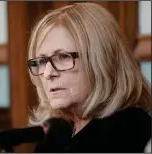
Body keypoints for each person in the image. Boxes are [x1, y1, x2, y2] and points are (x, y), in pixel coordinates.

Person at [27, 2, 151, 153]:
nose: (47, 73)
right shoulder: (58, 132)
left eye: (63, 56)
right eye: (41, 61)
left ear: (101, 61)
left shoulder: (129, 127)